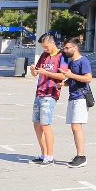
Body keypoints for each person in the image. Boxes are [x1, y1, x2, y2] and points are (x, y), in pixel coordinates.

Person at [28, 33, 65, 165]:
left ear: (53, 42)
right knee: (36, 124)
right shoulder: (44, 56)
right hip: (39, 93)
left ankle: (50, 155)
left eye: (46, 46)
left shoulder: (61, 56)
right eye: (43, 47)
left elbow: (62, 76)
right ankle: (43, 153)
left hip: (50, 94)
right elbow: (36, 72)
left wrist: (47, 73)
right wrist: (34, 70)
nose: (45, 49)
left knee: (45, 125)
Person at [61, 38, 92, 169]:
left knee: (76, 127)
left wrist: (71, 75)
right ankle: (78, 155)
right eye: (65, 48)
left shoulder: (83, 61)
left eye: (68, 48)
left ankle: (81, 156)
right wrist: (62, 83)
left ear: (75, 48)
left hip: (81, 98)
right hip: (72, 97)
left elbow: (88, 78)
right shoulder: (71, 62)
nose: (65, 50)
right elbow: (71, 80)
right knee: (74, 128)